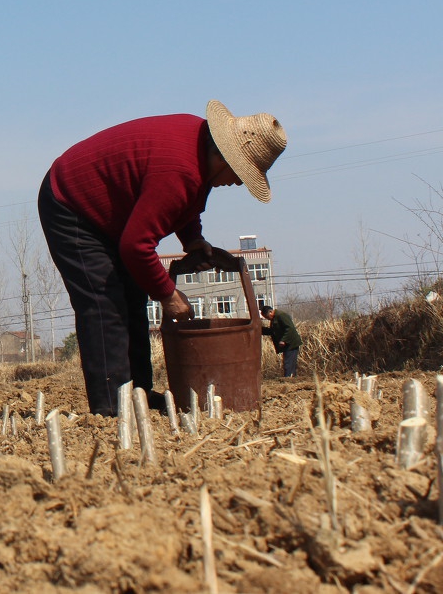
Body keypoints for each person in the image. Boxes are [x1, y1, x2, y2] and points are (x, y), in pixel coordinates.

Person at [38, 100, 287, 416]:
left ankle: (138, 394)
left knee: (133, 296)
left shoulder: (200, 148)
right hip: (71, 201)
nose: (238, 182)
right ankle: (111, 407)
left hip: (114, 212)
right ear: (225, 157)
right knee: (105, 304)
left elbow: (187, 201)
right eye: (241, 174)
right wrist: (168, 295)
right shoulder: (180, 169)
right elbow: (136, 246)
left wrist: (193, 240)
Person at [260, 305, 301, 378]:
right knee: (289, 364)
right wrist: (260, 330)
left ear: (270, 312)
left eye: (266, 317)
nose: (267, 319)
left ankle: (288, 380)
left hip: (291, 343)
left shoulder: (281, 315)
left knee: (288, 364)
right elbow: (273, 331)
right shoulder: (274, 318)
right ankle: (292, 379)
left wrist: (283, 340)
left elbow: (290, 328)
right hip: (287, 345)